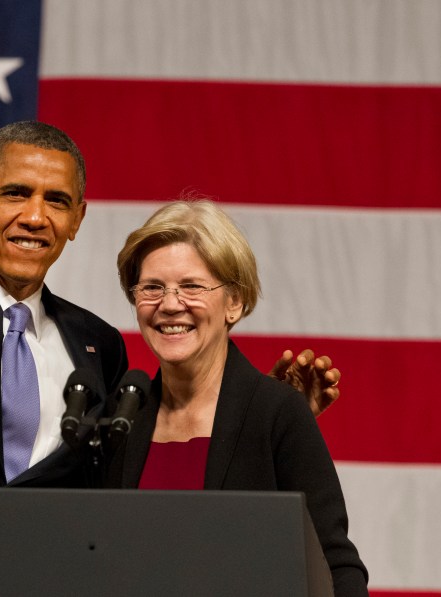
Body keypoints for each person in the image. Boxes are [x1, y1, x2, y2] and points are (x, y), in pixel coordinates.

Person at [0, 12, 342, 595]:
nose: (35, 216)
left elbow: (137, 478)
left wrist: (258, 418)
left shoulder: (99, 348)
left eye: (57, 200)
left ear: (77, 220)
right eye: (15, 193)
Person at [105, 199, 368, 595]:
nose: (170, 304)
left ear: (235, 302)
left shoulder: (276, 412)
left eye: (191, 286)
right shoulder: (120, 419)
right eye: (152, 288)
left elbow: (336, 566)